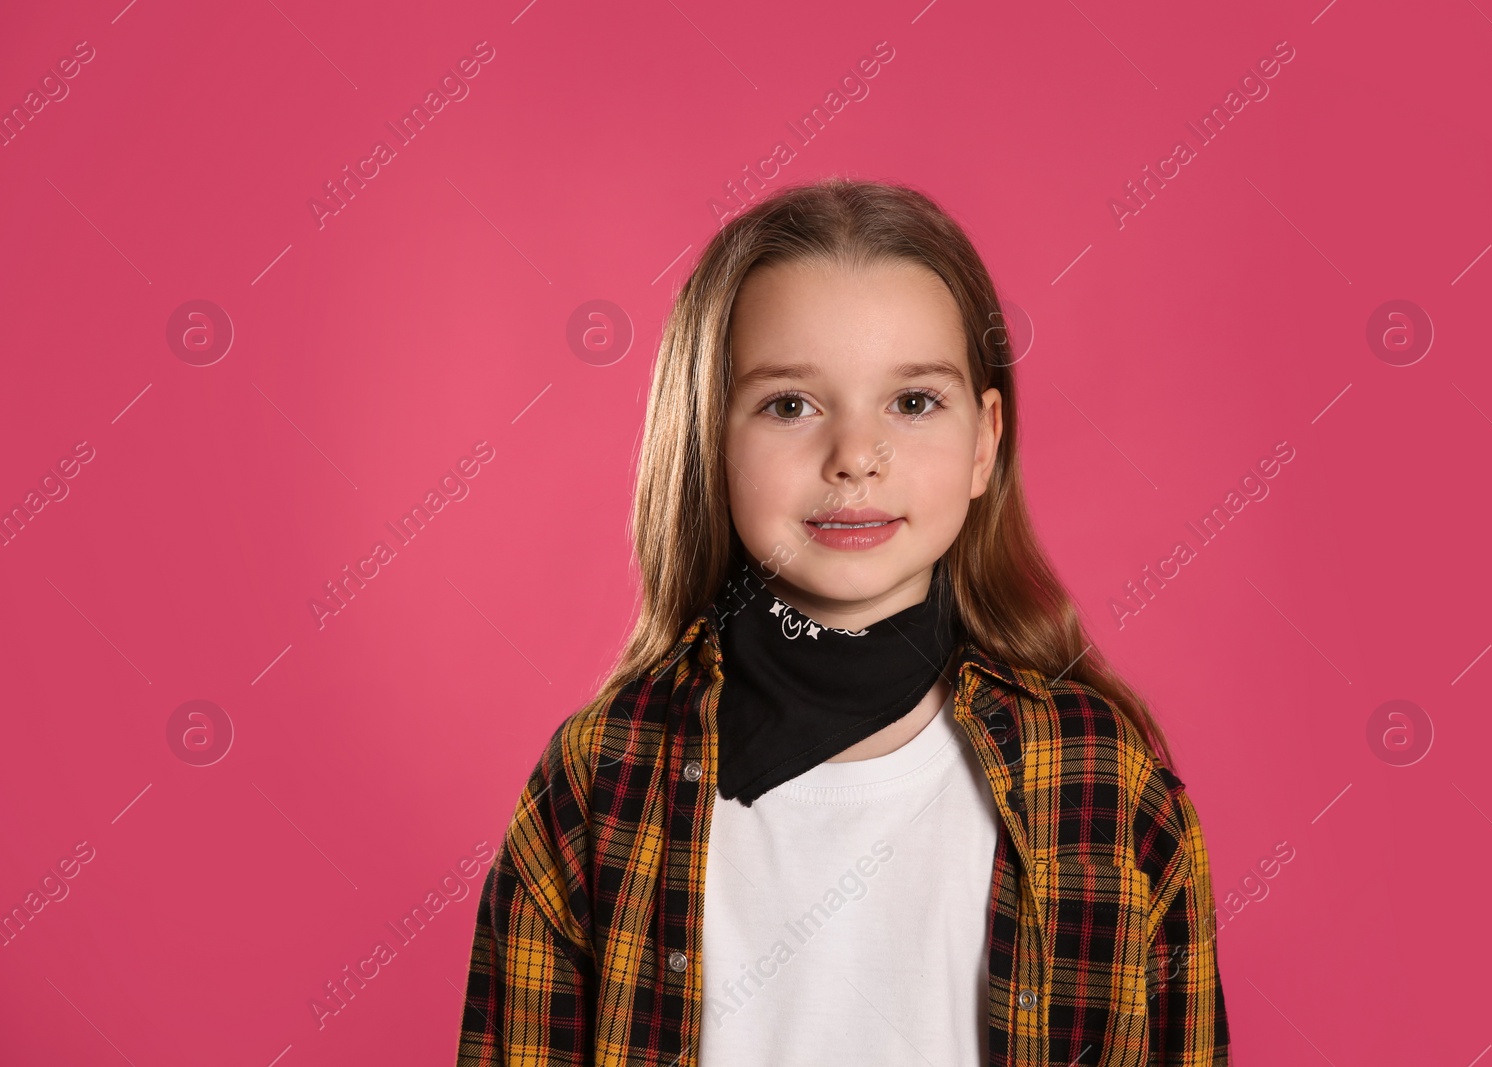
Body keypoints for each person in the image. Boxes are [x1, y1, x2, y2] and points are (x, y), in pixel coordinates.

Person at [456, 177, 1229, 1066]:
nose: (856, 456)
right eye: (790, 404)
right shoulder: (601, 782)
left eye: (913, 402)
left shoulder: (1105, 781)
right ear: (709, 435)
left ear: (984, 443)